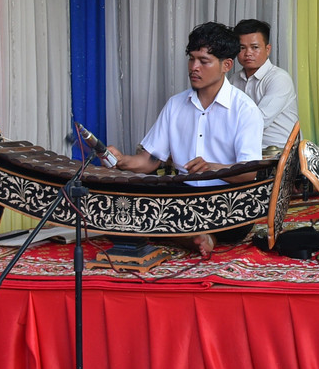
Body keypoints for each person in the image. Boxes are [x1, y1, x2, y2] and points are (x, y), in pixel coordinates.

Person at [110, 22, 264, 253]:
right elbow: (149, 162)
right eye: (191, 59)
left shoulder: (245, 109)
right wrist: (121, 160)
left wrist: (213, 169)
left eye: (204, 61)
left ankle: (188, 234)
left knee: (233, 215)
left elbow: (249, 172)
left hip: (226, 202)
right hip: (184, 197)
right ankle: (197, 236)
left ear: (226, 65)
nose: (194, 67)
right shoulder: (175, 105)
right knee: (139, 195)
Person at [230, 18, 298, 149]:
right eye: (242, 48)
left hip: (281, 154)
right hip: (247, 151)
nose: (248, 53)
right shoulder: (234, 80)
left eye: (255, 47)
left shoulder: (279, 78)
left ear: (268, 49)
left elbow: (259, 121)